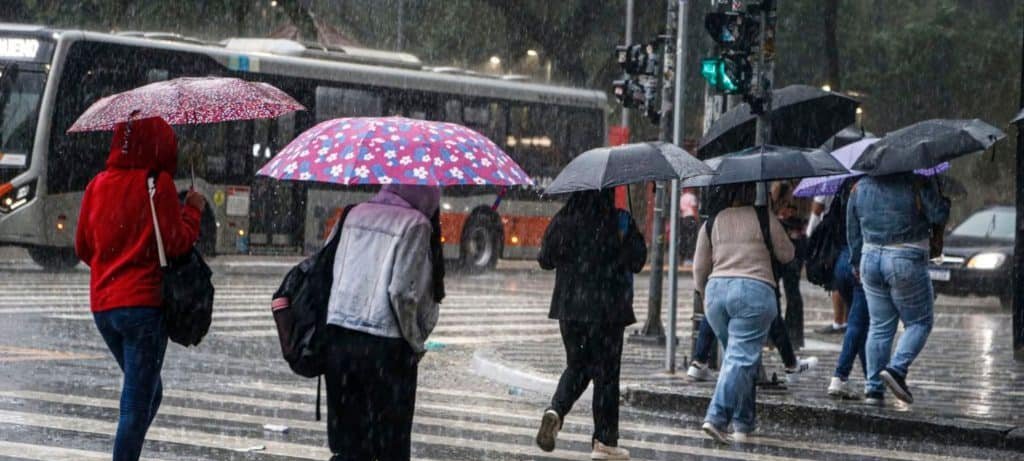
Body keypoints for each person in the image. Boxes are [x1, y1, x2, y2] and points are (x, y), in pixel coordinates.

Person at [75, 117, 205, 461]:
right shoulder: (156, 183)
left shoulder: (96, 185)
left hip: (104, 307)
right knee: (135, 402)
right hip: (144, 308)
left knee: (150, 392)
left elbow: (83, 247)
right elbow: (178, 244)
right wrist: (192, 212)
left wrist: (112, 270)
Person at [324, 184, 444, 461]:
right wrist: (415, 341)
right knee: (391, 446)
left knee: (350, 446)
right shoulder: (416, 224)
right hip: (386, 348)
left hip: (340, 341)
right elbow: (401, 292)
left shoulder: (353, 214)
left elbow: (329, 269)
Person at [534, 189, 646, 460]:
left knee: (578, 366)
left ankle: (556, 410)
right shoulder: (619, 219)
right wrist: (631, 231)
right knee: (606, 376)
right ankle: (605, 441)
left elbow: (545, 260)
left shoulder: (564, 218)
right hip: (608, 311)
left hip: (570, 309)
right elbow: (638, 261)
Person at [693, 182, 795, 444]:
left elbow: (699, 269)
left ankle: (743, 422)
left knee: (738, 358)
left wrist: (706, 296)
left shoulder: (712, 221)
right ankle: (716, 417)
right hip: (753, 291)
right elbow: (787, 254)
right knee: (740, 359)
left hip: (717, 295)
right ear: (752, 192)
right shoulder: (763, 217)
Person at [848, 173, 949, 405]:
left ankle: (873, 388)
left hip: (870, 257)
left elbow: (852, 227)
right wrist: (938, 193)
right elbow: (938, 214)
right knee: (919, 322)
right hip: (906, 255)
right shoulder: (916, 181)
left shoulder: (859, 186)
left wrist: (855, 260)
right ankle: (897, 369)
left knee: (879, 326)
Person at [821, 179, 869, 400]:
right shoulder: (867, 191)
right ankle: (840, 377)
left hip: (841, 262)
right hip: (857, 261)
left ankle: (872, 378)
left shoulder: (843, 190)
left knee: (859, 323)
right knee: (858, 323)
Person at [771, 181, 808, 348]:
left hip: (791, 240)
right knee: (777, 290)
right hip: (787, 239)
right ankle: (780, 332)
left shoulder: (798, 189)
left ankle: (789, 334)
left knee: (788, 290)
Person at [809, 195, 849, 335]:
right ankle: (846, 320)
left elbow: (817, 210)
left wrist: (810, 237)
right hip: (846, 231)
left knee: (835, 280)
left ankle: (839, 321)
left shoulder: (828, 179)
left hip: (833, 235)